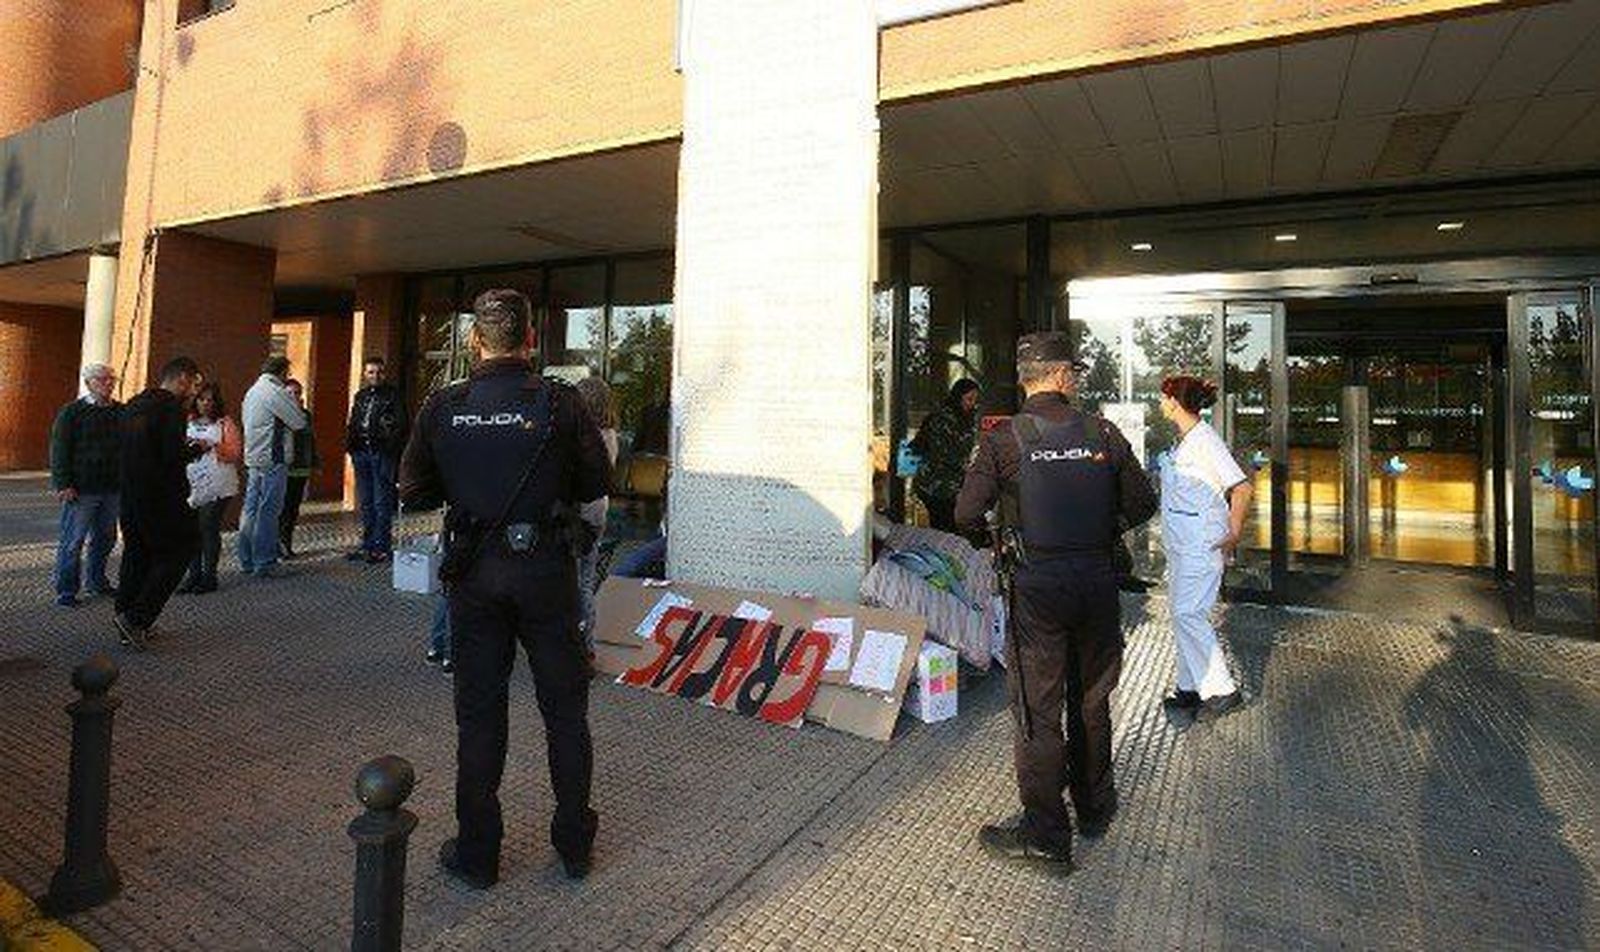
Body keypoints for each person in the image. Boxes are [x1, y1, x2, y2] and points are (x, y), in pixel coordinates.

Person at [399, 288, 610, 888]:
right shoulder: (560, 404)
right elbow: (597, 481)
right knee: (565, 713)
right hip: (546, 575)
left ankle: (478, 854)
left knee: (480, 715)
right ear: (531, 340)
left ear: (474, 341)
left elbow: (411, 490)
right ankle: (573, 847)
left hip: (475, 577)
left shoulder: (444, 407)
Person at [955, 332, 1157, 874]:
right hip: (1095, 582)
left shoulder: (1004, 439)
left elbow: (966, 512)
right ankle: (1094, 807)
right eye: (1075, 372)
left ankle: (1047, 835)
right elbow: (1143, 501)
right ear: (1063, 376)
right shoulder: (1104, 433)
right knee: (1092, 699)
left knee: (1038, 710)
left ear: (1027, 378)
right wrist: (1101, 527)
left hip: (1037, 587)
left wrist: (995, 541)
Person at [1157, 375, 1249, 722]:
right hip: (1181, 548)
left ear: (1175, 402)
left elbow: (1241, 488)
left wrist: (1233, 532)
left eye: (1162, 398)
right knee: (1181, 615)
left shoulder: (1206, 441)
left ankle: (1223, 690)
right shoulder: (1184, 441)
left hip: (1201, 547)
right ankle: (1189, 688)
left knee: (1188, 614)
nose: (1160, 404)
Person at [115, 356, 203, 648]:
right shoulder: (169, 409)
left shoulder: (133, 405)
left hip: (130, 495)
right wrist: (194, 449)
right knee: (181, 549)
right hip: (162, 496)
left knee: (137, 554)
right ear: (181, 379)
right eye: (193, 384)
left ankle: (125, 617)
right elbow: (170, 456)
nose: (193, 392)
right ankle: (137, 618)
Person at [49, 364, 123, 607]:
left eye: (112, 379)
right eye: (102, 380)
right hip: (81, 489)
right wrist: (63, 483)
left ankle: (96, 581)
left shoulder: (121, 412)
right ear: (88, 383)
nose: (108, 384)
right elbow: (59, 450)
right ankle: (66, 590)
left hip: (112, 488)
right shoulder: (72, 412)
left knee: (106, 538)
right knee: (73, 541)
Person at [238, 355, 308, 577]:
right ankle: (265, 562)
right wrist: (293, 402)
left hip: (254, 457)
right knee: (269, 511)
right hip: (273, 457)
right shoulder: (274, 392)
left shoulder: (252, 391)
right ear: (282, 372)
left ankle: (246, 559)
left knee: (250, 510)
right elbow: (299, 421)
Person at [178, 382, 242, 594]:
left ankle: (209, 576)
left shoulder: (225, 423)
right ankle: (192, 575)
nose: (206, 403)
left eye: (210, 399)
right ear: (195, 401)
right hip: (192, 483)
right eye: (202, 399)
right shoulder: (187, 421)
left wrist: (213, 445)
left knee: (207, 527)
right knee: (190, 530)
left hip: (218, 484)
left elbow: (235, 453)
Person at [573, 374, 619, 648]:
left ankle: (577, 644)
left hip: (579, 512)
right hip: (598, 509)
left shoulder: (583, 438)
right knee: (587, 580)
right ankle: (586, 645)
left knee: (575, 582)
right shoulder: (610, 435)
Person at [346, 356, 407, 563]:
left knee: (382, 501)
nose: (375, 376)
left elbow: (401, 425)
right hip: (361, 453)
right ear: (365, 374)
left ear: (385, 373)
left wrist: (389, 448)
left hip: (382, 454)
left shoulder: (393, 395)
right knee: (366, 502)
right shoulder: (360, 395)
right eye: (371, 372)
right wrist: (350, 447)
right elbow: (354, 421)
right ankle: (367, 544)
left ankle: (382, 546)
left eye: (379, 372)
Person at [911, 378, 980, 533]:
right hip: (935, 485)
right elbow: (942, 453)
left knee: (950, 529)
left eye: (975, 400)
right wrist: (969, 466)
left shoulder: (966, 418)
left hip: (951, 485)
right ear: (958, 397)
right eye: (969, 399)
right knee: (945, 529)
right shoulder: (942, 419)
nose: (972, 404)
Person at [278, 379, 320, 559]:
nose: (294, 396)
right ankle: (278, 545)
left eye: (297, 393)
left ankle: (287, 543)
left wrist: (315, 463)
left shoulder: (305, 415)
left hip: (301, 469)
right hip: (284, 469)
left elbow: (311, 441)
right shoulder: (279, 416)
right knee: (282, 508)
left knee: (293, 508)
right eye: (290, 393)